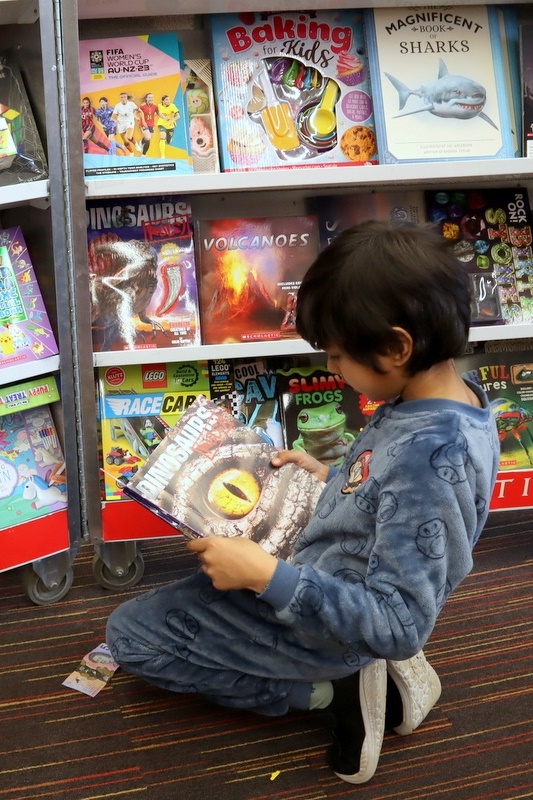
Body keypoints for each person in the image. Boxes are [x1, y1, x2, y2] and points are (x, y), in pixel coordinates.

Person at [106, 221, 499, 785]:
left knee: (129, 637)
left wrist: (266, 576)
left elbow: (398, 622)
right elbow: (392, 499)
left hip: (325, 619)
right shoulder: (443, 401)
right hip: (326, 569)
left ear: (396, 347)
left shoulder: (432, 455)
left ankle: (328, 691)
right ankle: (353, 665)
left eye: (337, 356)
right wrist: (330, 477)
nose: (332, 368)